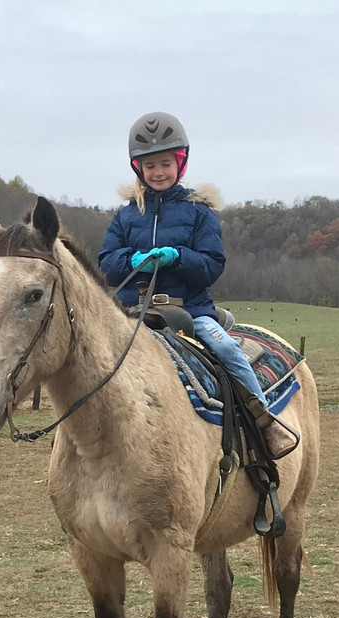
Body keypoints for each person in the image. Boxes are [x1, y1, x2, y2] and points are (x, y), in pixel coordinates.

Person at [99, 111, 298, 459]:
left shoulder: (200, 213)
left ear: (180, 164)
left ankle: (266, 425)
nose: (158, 172)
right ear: (138, 169)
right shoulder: (126, 215)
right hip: (132, 311)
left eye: (165, 163)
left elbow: (212, 265)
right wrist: (131, 260)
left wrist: (179, 257)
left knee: (227, 351)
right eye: (150, 166)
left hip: (190, 310)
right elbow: (106, 264)